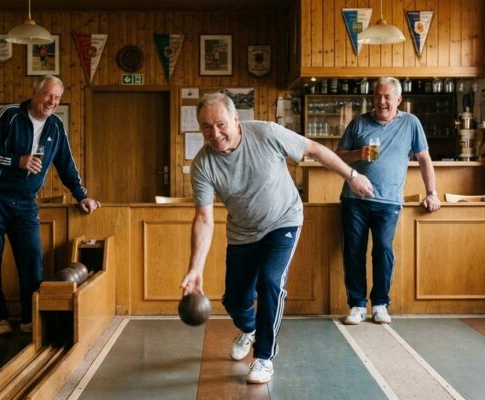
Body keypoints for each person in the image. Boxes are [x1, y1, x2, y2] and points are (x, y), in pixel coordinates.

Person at [180, 92, 373, 384]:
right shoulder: (203, 165)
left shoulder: (267, 133)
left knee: (270, 281)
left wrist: (352, 175)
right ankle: (250, 329)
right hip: (243, 233)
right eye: (206, 127)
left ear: (235, 119)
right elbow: (204, 219)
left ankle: (264, 357)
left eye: (220, 124)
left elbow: (314, 149)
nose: (214, 133)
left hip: (283, 220)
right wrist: (195, 268)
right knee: (234, 300)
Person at [0, 75, 100, 336]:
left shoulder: (55, 126)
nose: (52, 102)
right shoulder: (7, 114)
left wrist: (82, 196)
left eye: (57, 98)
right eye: (47, 95)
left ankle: (30, 319)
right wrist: (16, 161)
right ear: (34, 93)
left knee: (32, 260)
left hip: (25, 202)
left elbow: (67, 165)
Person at [336, 77, 440, 326]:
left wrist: (432, 192)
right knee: (354, 252)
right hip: (354, 199)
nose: (381, 101)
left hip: (389, 201)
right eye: (377, 96)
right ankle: (357, 306)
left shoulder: (411, 123)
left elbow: (424, 158)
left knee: (383, 249)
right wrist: (357, 154)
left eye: (387, 96)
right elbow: (338, 157)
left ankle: (380, 304)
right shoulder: (359, 123)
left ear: (398, 99)